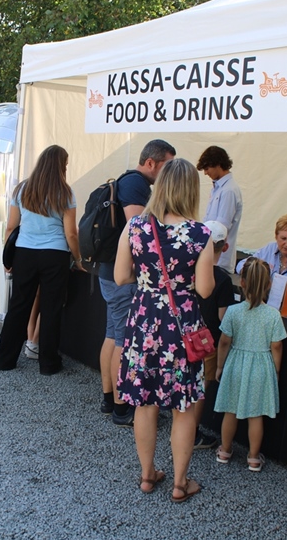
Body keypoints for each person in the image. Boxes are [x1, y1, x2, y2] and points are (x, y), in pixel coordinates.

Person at [115, 158, 215, 502]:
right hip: (181, 326)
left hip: (144, 323)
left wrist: (149, 280)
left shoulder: (135, 227)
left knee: (145, 403)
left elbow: (120, 276)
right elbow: (205, 290)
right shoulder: (201, 234)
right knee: (183, 407)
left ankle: (147, 476)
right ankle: (179, 483)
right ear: (191, 191)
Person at [97, 139, 176, 427]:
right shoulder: (136, 185)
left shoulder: (129, 181)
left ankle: (110, 399)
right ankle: (122, 408)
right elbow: (138, 230)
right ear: (151, 163)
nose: (170, 172)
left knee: (112, 335)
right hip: (123, 276)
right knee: (121, 340)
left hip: (110, 272)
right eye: (168, 165)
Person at [0, 145, 83, 376]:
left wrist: (7, 257)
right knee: (51, 309)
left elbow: (11, 227)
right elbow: (71, 233)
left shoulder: (22, 189)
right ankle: (49, 363)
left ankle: (5, 359)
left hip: (24, 252)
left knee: (18, 305)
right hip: (55, 254)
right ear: (61, 166)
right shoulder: (66, 192)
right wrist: (78, 258)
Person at [214, 257, 286, 472]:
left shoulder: (233, 311)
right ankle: (253, 458)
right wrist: (276, 370)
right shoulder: (273, 315)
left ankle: (225, 450)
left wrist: (219, 366)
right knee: (256, 415)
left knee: (230, 411)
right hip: (261, 368)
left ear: (242, 283)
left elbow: (224, 341)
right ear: (269, 285)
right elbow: (277, 346)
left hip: (236, 364)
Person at [194, 221, 239, 448]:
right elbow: (224, 317)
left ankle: (180, 427)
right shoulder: (222, 279)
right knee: (200, 388)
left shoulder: (188, 269)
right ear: (225, 247)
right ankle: (192, 433)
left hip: (183, 335)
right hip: (207, 341)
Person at [236, 213, 287, 315]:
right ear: (276, 236)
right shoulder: (269, 249)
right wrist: (252, 272)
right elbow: (242, 264)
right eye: (283, 238)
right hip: (262, 306)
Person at [198, 146, 243, 274]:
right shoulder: (219, 188)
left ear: (217, 164)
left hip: (219, 260)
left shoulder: (229, 191)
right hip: (212, 257)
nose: (205, 173)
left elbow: (220, 230)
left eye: (207, 168)